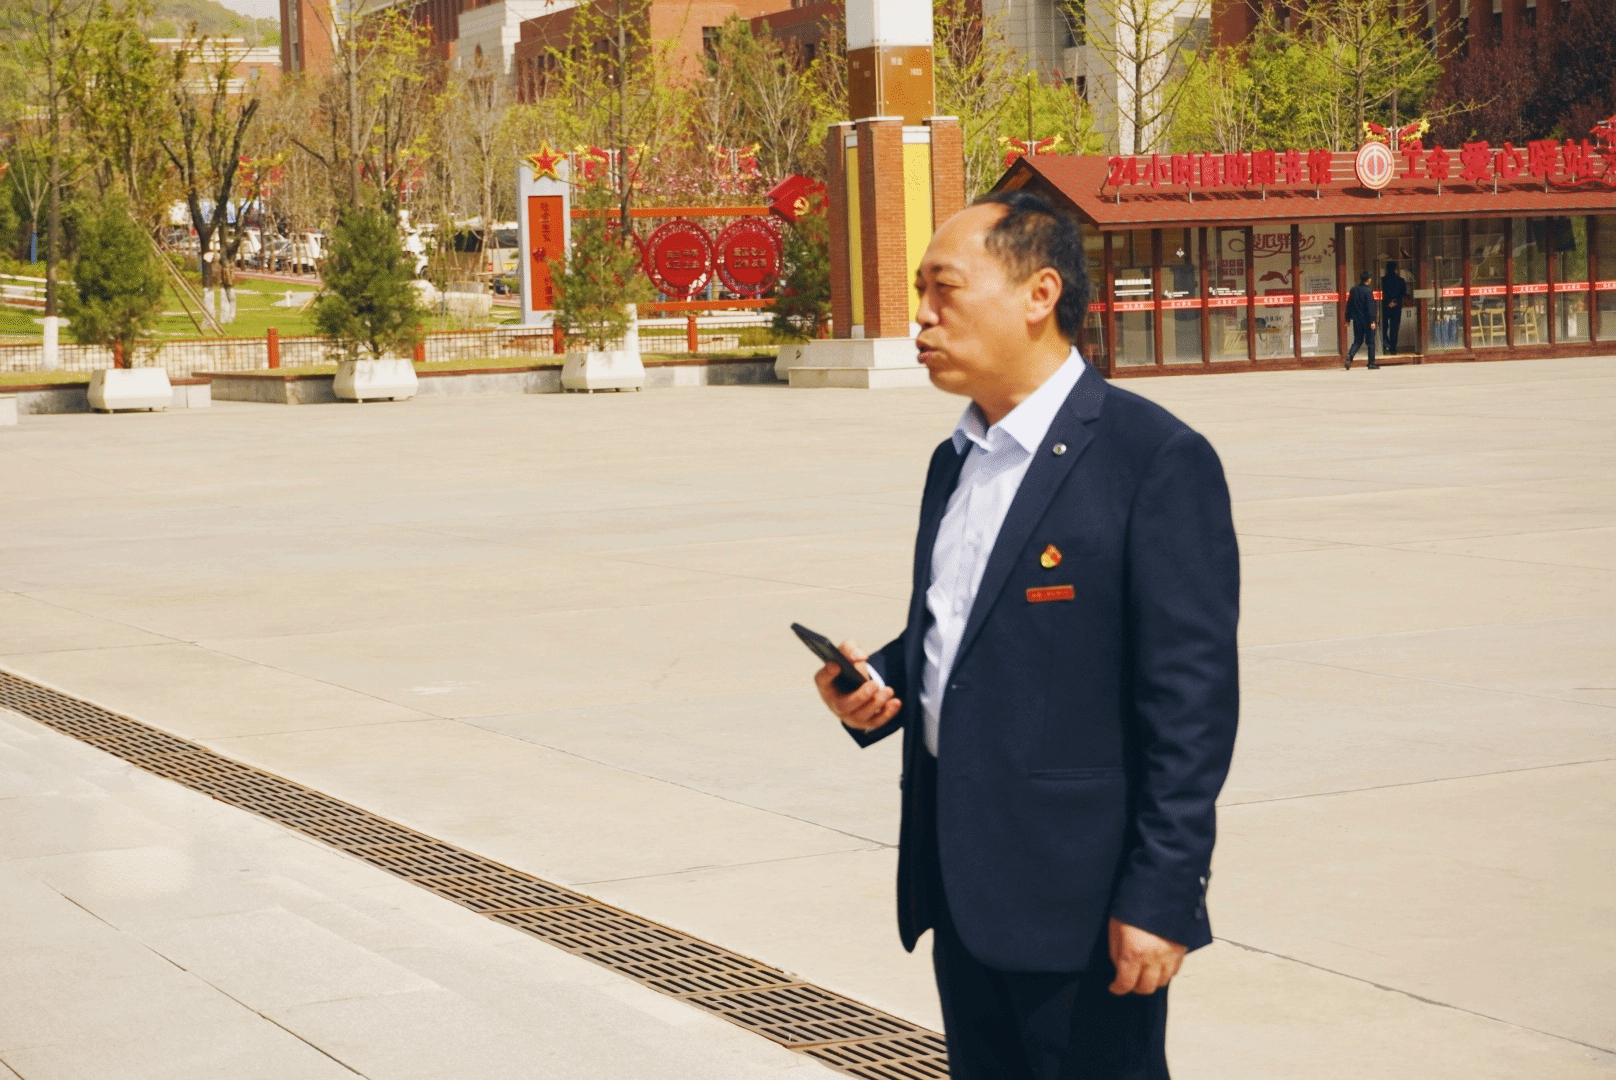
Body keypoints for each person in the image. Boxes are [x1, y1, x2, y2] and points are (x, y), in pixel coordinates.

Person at [812, 190, 1240, 1080]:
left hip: (1084, 907)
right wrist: (880, 682)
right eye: (920, 292)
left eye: (944, 289)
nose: (921, 316)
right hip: (963, 889)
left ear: (1039, 294)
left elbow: (1191, 708)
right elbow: (966, 625)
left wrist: (1163, 893)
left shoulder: (1152, 459)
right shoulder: (956, 459)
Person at [1345, 271, 1379, 369]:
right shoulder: (1368, 291)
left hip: (1357, 320)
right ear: (1368, 279)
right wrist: (1372, 321)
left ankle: (1350, 355)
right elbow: (1370, 307)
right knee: (1370, 342)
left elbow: (1349, 305)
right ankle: (1371, 363)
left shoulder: (1353, 290)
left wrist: (1347, 318)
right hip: (1367, 321)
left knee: (1357, 341)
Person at [1381, 261, 1407, 354]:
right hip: (1396, 306)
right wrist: (1395, 301)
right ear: (1396, 269)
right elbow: (1403, 294)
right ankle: (1393, 348)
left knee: (1383, 328)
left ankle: (1385, 345)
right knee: (1394, 328)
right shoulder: (1401, 280)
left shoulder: (1382, 280)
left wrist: (1388, 301)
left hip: (1385, 306)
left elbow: (1381, 293)